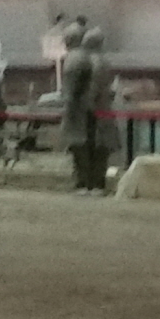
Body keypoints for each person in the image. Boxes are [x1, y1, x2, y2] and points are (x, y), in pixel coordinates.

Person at [58, 19, 109, 192]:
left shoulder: (73, 58)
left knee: (79, 147)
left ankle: (83, 182)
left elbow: (71, 90)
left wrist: (67, 109)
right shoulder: (93, 57)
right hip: (93, 110)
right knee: (91, 147)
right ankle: (93, 183)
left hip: (79, 111)